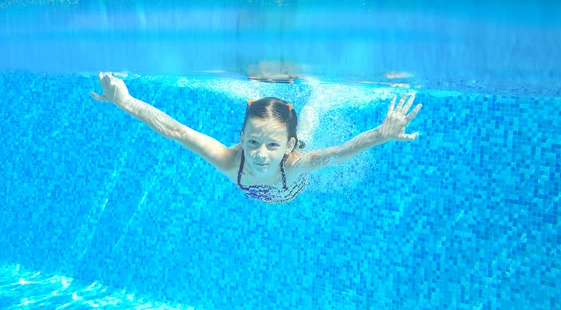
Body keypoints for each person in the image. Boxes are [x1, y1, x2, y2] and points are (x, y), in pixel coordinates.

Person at [91, 72, 422, 203]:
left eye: (272, 145)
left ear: (285, 146)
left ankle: (318, 95)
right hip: (276, 175)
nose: (260, 154)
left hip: (293, 177)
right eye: (252, 142)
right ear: (241, 137)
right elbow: (177, 130)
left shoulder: (293, 163)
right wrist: (125, 101)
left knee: (305, 127)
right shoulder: (229, 159)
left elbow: (339, 153)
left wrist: (381, 134)